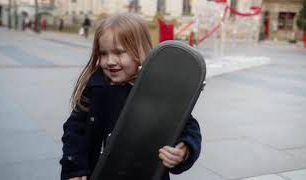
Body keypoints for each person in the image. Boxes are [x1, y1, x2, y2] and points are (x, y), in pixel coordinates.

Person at [59, 13, 202, 180]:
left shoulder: (158, 90)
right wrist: (74, 168)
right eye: (104, 53)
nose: (110, 61)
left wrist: (184, 150)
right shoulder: (96, 87)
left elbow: (188, 126)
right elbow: (74, 130)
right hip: (99, 173)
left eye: (119, 52)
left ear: (141, 51)